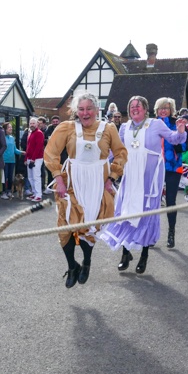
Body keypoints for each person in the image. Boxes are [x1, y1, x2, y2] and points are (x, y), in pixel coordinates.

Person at [44, 92, 127, 288]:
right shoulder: (67, 127)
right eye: (81, 109)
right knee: (65, 226)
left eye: (89, 108)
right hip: (73, 182)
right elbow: (51, 153)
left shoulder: (109, 128)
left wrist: (112, 177)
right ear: (75, 111)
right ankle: (72, 266)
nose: (85, 113)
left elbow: (121, 153)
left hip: (98, 183)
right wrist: (59, 178)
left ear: (97, 110)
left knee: (89, 226)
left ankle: (87, 263)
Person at [100, 95, 185, 274]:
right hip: (130, 177)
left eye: (138, 106)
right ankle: (125, 253)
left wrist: (180, 131)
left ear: (146, 109)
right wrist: (98, 163)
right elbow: (116, 151)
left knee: (145, 214)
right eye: (132, 106)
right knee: (126, 212)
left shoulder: (156, 124)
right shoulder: (124, 127)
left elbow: (175, 139)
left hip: (149, 178)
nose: (134, 108)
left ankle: (144, 255)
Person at [157, 97, 188, 248]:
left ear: (171, 109)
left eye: (166, 107)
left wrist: (178, 146)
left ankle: (171, 233)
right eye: (160, 108)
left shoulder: (177, 123)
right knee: (153, 202)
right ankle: (151, 234)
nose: (163, 110)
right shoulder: (152, 124)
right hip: (155, 168)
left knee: (170, 201)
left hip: (173, 167)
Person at [25, 117, 45, 202]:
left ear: (37, 124)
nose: (32, 125)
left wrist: (33, 159)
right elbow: (28, 147)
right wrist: (26, 158)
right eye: (30, 123)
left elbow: (38, 147)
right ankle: (34, 193)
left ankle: (39, 195)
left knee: (36, 177)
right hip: (29, 158)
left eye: (33, 123)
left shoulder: (39, 133)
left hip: (37, 158)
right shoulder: (30, 133)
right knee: (30, 177)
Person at [2, 121, 22, 199]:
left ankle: (9, 191)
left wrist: (22, 152)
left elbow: (15, 150)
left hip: (12, 160)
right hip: (4, 160)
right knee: (5, 176)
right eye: (9, 127)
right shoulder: (2, 138)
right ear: (5, 129)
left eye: (11, 127)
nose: (11, 128)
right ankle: (3, 192)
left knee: (10, 177)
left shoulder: (12, 138)